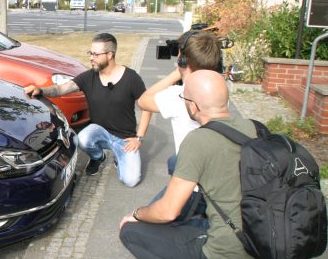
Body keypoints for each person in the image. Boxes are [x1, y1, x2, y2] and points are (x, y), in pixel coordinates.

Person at [119, 70, 256, 258]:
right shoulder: (254, 127)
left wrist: (136, 214)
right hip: (259, 233)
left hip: (227, 249)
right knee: (174, 162)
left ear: (193, 106)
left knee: (131, 230)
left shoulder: (198, 140)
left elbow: (168, 211)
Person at [24, 33, 151, 187]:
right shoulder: (88, 77)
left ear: (110, 55)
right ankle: (98, 157)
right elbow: (62, 88)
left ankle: (119, 158)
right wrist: (41, 91)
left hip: (125, 138)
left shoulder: (131, 78)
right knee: (82, 139)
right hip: (99, 131)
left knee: (130, 181)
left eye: (96, 54)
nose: (91, 57)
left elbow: (147, 107)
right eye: (90, 53)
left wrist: (139, 138)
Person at [138, 30, 222, 223]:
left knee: (141, 221)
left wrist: (177, 72)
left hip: (194, 190)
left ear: (183, 61)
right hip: (218, 181)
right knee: (173, 161)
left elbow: (143, 101)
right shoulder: (218, 88)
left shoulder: (178, 96)